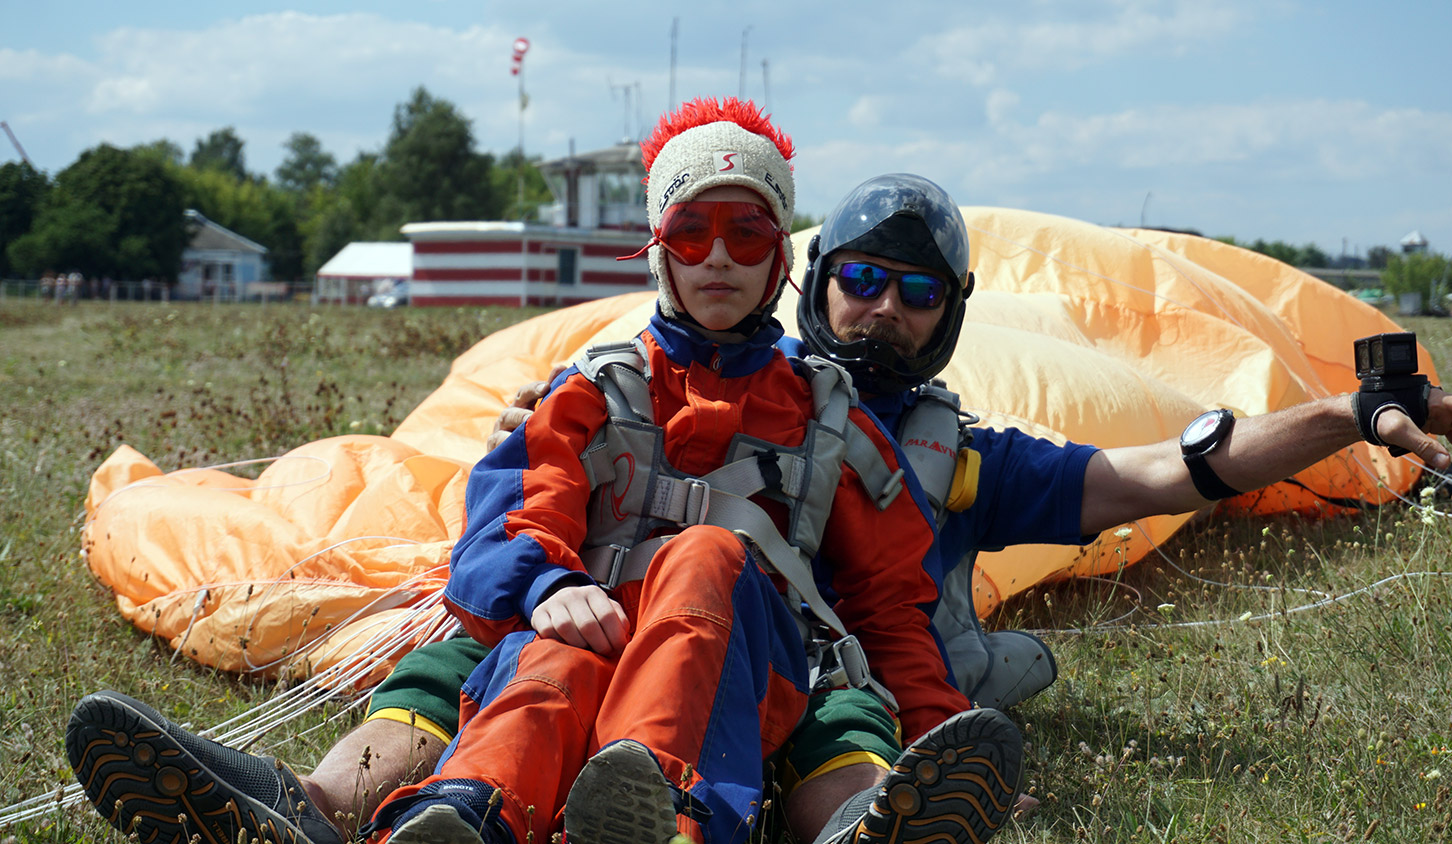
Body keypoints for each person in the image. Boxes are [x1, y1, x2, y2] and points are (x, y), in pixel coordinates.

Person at [67, 103, 1021, 844]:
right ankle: (350, 811)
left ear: (781, 258)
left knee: (835, 694)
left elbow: (891, 605)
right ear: (658, 248)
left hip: (759, 659)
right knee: (488, 664)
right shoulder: (588, 394)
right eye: (692, 232)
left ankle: (845, 822)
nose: (720, 258)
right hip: (585, 627)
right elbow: (511, 523)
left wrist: (938, 732)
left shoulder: (832, 421)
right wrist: (547, 586)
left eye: (747, 234)